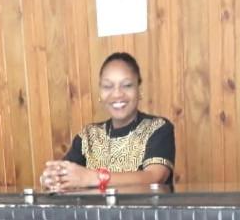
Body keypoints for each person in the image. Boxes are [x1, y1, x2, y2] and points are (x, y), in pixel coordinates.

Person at [39, 52, 175, 195]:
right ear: (100, 93)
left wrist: (92, 178)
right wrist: (53, 178)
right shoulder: (88, 136)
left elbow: (154, 177)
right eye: (108, 86)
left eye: (127, 85)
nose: (117, 94)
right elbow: (65, 175)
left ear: (139, 90)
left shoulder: (157, 128)